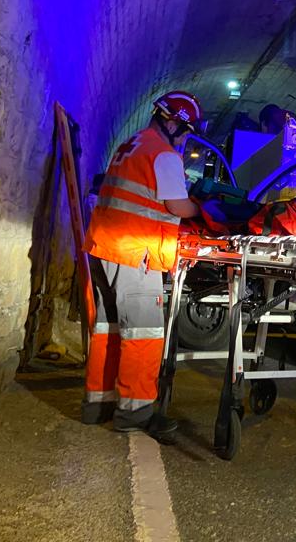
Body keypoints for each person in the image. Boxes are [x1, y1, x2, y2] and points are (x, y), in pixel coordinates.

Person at [80, 90, 204, 441]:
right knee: (144, 332)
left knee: (109, 330)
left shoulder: (131, 145)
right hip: (136, 252)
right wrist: (203, 207)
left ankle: (97, 404)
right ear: (172, 122)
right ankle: (135, 412)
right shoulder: (164, 156)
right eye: (185, 131)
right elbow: (177, 207)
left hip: (104, 248)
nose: (185, 139)